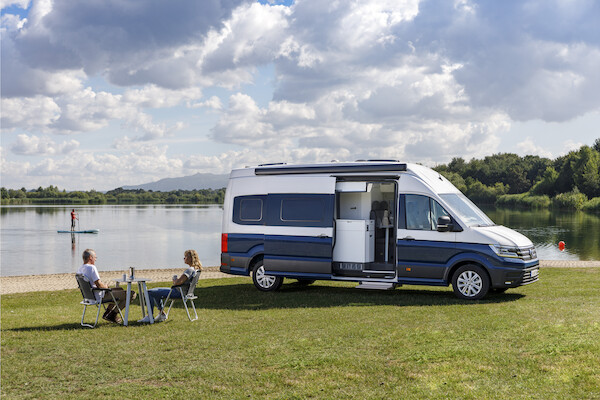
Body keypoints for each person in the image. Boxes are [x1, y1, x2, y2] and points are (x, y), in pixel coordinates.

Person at [76, 249, 134, 324]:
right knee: (131, 294)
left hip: (89, 296)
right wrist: (106, 287)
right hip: (99, 296)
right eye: (95, 258)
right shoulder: (91, 268)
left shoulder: (80, 269)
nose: (95, 260)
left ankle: (107, 313)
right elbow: (99, 285)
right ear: (90, 257)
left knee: (120, 289)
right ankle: (113, 314)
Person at [143, 249, 202, 323]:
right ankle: (162, 313)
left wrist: (174, 279)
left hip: (178, 292)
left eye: (185, 257)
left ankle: (150, 316)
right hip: (186, 293)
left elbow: (178, 282)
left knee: (149, 292)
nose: (184, 258)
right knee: (155, 291)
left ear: (191, 258)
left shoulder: (189, 270)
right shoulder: (195, 270)